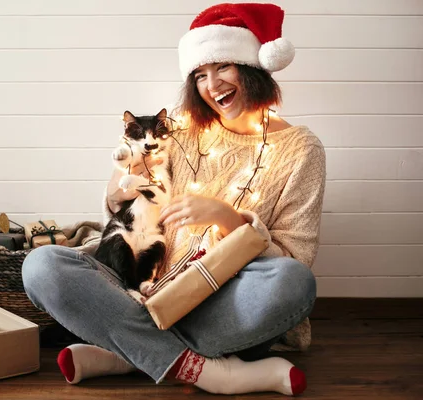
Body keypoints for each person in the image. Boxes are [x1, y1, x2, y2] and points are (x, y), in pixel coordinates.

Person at [22, 2, 325, 396]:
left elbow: (295, 256)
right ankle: (208, 371)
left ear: (253, 67)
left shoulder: (302, 150)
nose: (212, 85)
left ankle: (129, 352)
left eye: (223, 67)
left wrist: (228, 220)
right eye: (200, 74)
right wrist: (123, 181)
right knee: (43, 264)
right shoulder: (176, 129)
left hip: (221, 305)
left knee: (295, 282)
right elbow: (118, 206)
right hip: (145, 285)